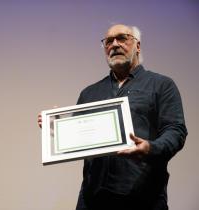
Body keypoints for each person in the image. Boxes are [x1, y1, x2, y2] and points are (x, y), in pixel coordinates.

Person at [38, 24, 187, 210]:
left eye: (122, 38)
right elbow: (78, 142)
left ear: (137, 46)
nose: (114, 44)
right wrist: (58, 129)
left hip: (144, 198)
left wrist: (150, 147)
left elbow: (176, 131)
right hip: (93, 200)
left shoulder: (161, 85)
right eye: (108, 41)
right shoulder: (90, 93)